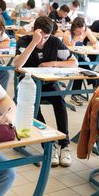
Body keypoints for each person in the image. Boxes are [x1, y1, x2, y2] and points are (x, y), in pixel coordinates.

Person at [14, 16, 78, 167]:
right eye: (40, 36)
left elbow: (74, 62)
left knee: (60, 101)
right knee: (34, 107)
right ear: (34, 31)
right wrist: (33, 42)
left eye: (46, 37)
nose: (43, 41)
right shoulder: (24, 41)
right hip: (28, 85)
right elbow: (17, 65)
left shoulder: (55, 42)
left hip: (48, 83)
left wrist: (52, 63)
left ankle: (64, 144)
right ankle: (49, 144)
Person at [62, 17, 99, 106]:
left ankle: (77, 93)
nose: (81, 34)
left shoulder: (86, 31)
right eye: (79, 32)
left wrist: (96, 45)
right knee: (81, 69)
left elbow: (96, 42)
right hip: (68, 59)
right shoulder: (67, 34)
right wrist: (75, 39)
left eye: (83, 31)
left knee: (81, 67)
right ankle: (93, 82)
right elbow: (68, 48)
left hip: (81, 57)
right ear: (73, 29)